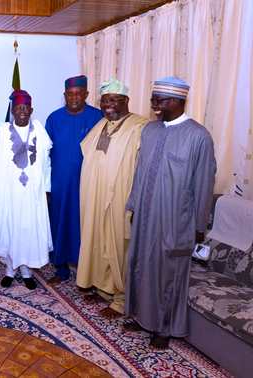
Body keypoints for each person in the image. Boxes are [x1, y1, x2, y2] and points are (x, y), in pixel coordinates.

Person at [123, 77, 216, 349]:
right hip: (145, 214)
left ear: (176, 101)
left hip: (176, 220)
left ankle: (163, 327)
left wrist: (199, 226)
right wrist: (134, 204)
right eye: (154, 99)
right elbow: (140, 172)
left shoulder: (199, 136)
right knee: (139, 263)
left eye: (159, 100)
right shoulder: (150, 130)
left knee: (167, 273)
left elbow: (204, 183)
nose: (153, 105)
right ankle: (139, 315)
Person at [76, 79, 148, 318]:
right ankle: (102, 286)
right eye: (105, 100)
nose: (108, 105)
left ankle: (121, 298)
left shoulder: (140, 127)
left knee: (118, 244)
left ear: (126, 100)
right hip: (95, 197)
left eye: (114, 99)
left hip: (121, 198)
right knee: (97, 240)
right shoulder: (102, 124)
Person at [0, 90, 52, 290]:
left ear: (31, 110)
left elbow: (46, 163)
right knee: (10, 227)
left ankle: (26, 271)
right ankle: (9, 270)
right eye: (18, 108)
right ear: (13, 110)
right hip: (10, 190)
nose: (22, 112)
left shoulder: (39, 131)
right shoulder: (2, 131)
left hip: (33, 192)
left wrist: (46, 189)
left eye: (25, 108)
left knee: (27, 229)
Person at [45, 75, 103, 284]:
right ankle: (60, 268)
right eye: (70, 94)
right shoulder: (54, 118)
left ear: (86, 94)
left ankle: (86, 271)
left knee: (85, 225)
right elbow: (45, 154)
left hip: (87, 183)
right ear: (65, 96)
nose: (74, 98)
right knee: (59, 223)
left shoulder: (99, 117)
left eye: (79, 94)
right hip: (59, 183)